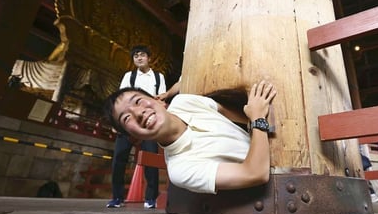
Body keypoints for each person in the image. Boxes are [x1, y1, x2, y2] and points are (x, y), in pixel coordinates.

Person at [104, 80, 276, 194]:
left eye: (138, 101)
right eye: (126, 118)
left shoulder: (184, 101)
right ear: (134, 138)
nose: (138, 112)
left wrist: (254, 117)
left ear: (159, 100)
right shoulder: (180, 169)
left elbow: (238, 116)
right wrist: (258, 119)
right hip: (271, 180)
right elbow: (255, 174)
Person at [106, 45, 167, 209]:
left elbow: (160, 100)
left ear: (148, 58)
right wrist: (116, 124)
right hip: (129, 121)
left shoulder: (158, 77)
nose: (139, 58)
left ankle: (151, 197)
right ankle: (117, 197)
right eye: (136, 56)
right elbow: (119, 99)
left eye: (142, 55)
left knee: (150, 159)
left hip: (148, 121)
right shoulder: (129, 76)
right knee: (119, 157)